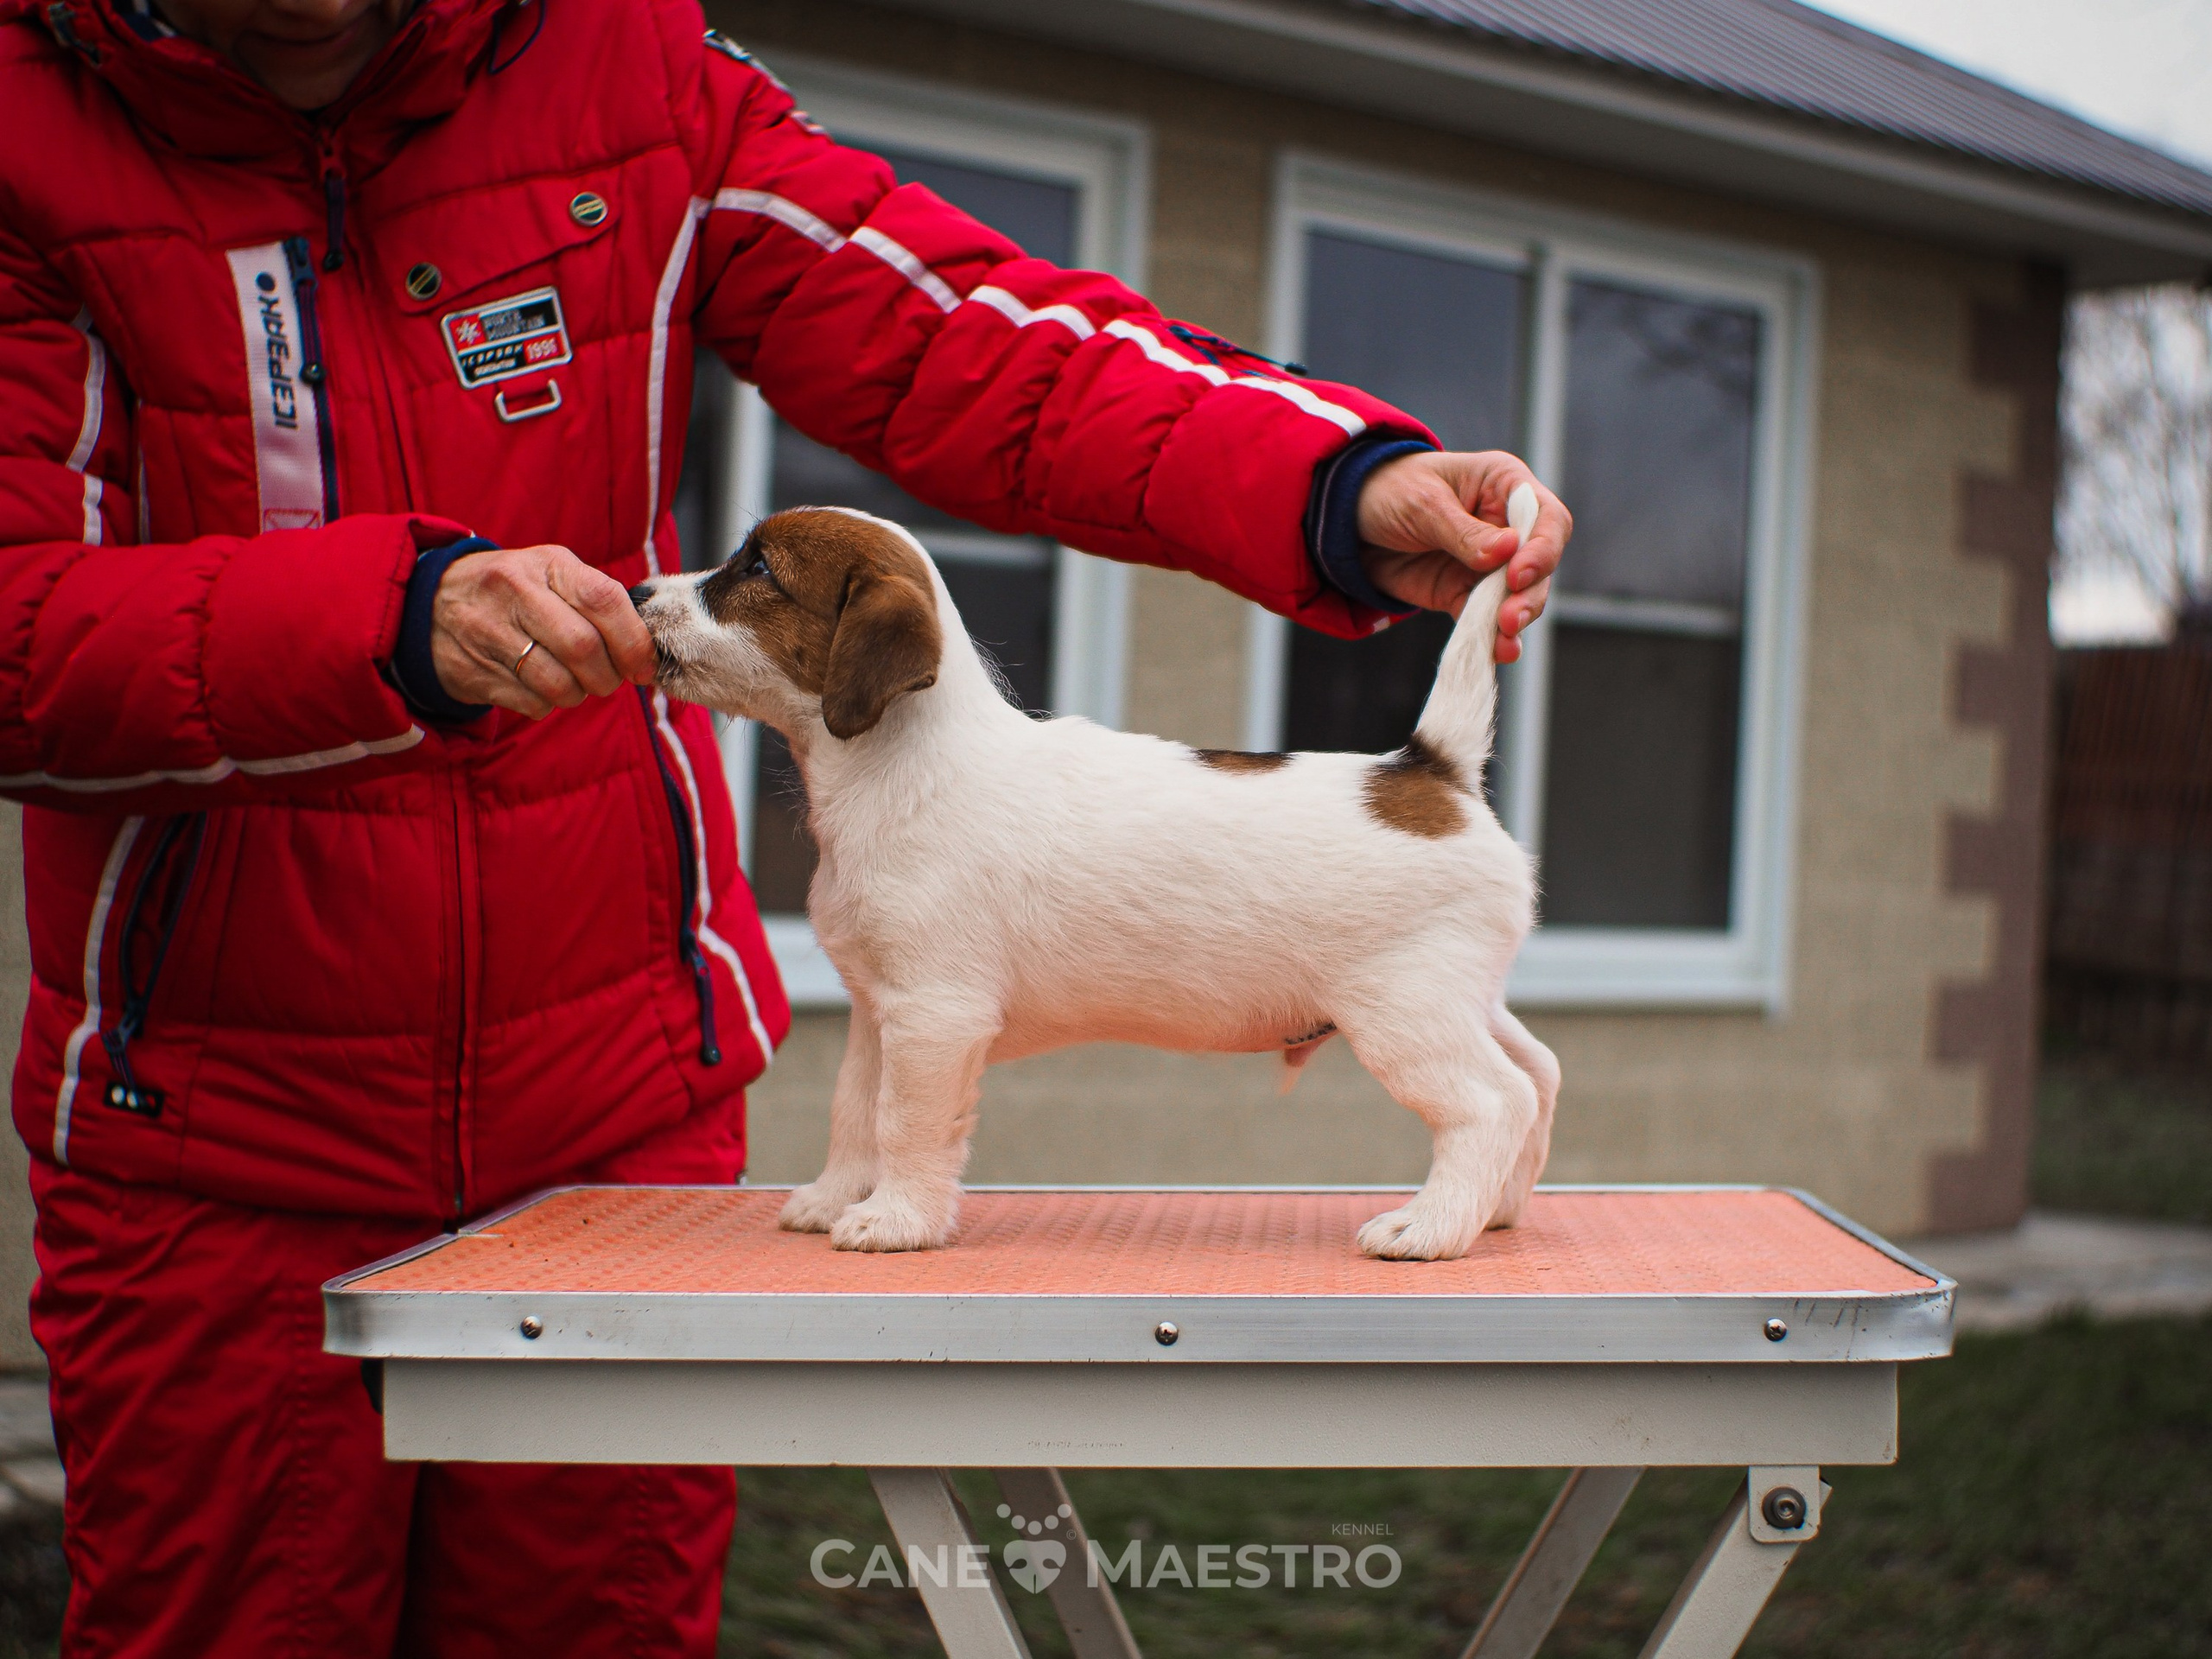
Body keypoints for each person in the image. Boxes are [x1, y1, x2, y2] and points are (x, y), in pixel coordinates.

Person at [0, 0, 1570, 1652]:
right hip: (210, 1137)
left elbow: (971, 331)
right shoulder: (29, 130)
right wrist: (375, 626)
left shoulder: (626, 67)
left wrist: (1324, 477)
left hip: (619, 1114)